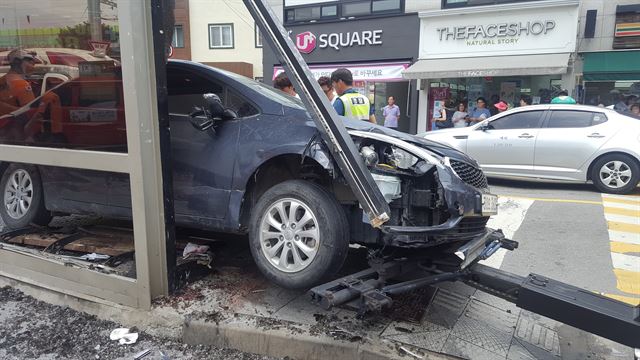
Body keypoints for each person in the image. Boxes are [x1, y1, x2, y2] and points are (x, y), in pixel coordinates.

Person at [0, 49, 38, 116]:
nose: (33, 67)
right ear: (17, 62)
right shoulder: (22, 85)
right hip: (15, 125)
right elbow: (30, 114)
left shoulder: (2, 80)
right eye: (30, 63)